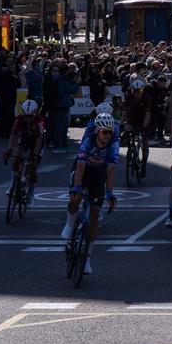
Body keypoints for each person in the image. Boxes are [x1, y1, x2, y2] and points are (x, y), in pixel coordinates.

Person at [60, 112, 119, 276]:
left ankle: (87, 259)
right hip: (83, 171)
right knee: (75, 198)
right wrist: (77, 188)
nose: (108, 135)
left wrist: (110, 193)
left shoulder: (113, 145)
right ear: (97, 131)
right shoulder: (88, 141)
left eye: (110, 132)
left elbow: (111, 171)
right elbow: (79, 166)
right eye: (104, 132)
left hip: (98, 176)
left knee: (94, 215)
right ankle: (70, 223)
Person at [5, 99, 45, 199]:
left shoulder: (40, 121)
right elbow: (14, 135)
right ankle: (12, 185)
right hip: (25, 140)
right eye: (25, 116)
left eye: (30, 116)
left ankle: (31, 193)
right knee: (17, 158)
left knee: (31, 169)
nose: (27, 118)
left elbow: (39, 139)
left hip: (36, 142)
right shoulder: (19, 119)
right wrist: (9, 149)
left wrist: (35, 155)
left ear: (35, 114)